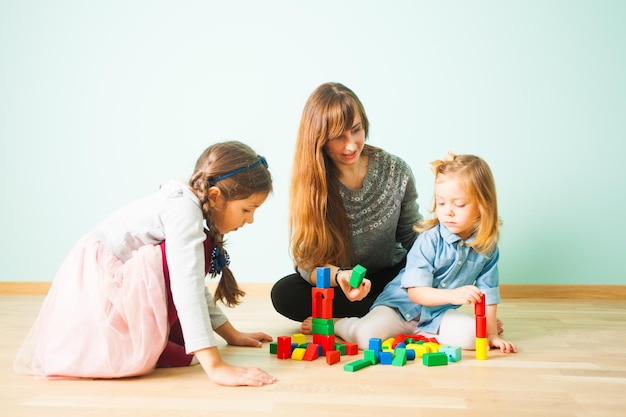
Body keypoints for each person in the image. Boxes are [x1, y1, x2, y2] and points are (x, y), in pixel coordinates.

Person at [14, 141, 277, 387]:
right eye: (247, 209)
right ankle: (148, 345)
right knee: (197, 256)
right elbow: (187, 286)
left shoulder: (187, 206)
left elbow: (191, 282)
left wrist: (230, 334)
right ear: (216, 195)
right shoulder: (184, 212)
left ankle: (162, 344)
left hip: (113, 286)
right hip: (102, 291)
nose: (251, 220)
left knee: (195, 261)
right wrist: (216, 366)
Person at [270, 82, 422, 332]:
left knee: (427, 272)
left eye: (356, 130)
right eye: (339, 137)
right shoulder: (311, 183)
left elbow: (412, 238)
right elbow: (308, 261)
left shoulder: (395, 171)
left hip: (389, 276)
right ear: (319, 139)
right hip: (340, 283)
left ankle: (359, 318)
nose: (350, 145)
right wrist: (340, 277)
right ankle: (391, 314)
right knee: (285, 293)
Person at [334, 152, 517, 354]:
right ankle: (342, 324)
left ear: (484, 205)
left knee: (475, 337)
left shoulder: (487, 248)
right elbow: (415, 292)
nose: (448, 212)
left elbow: (488, 292)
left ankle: (422, 336)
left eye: (459, 204)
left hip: (437, 315)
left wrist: (490, 333)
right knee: (365, 336)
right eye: (441, 203)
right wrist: (453, 295)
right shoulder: (429, 240)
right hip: (399, 309)